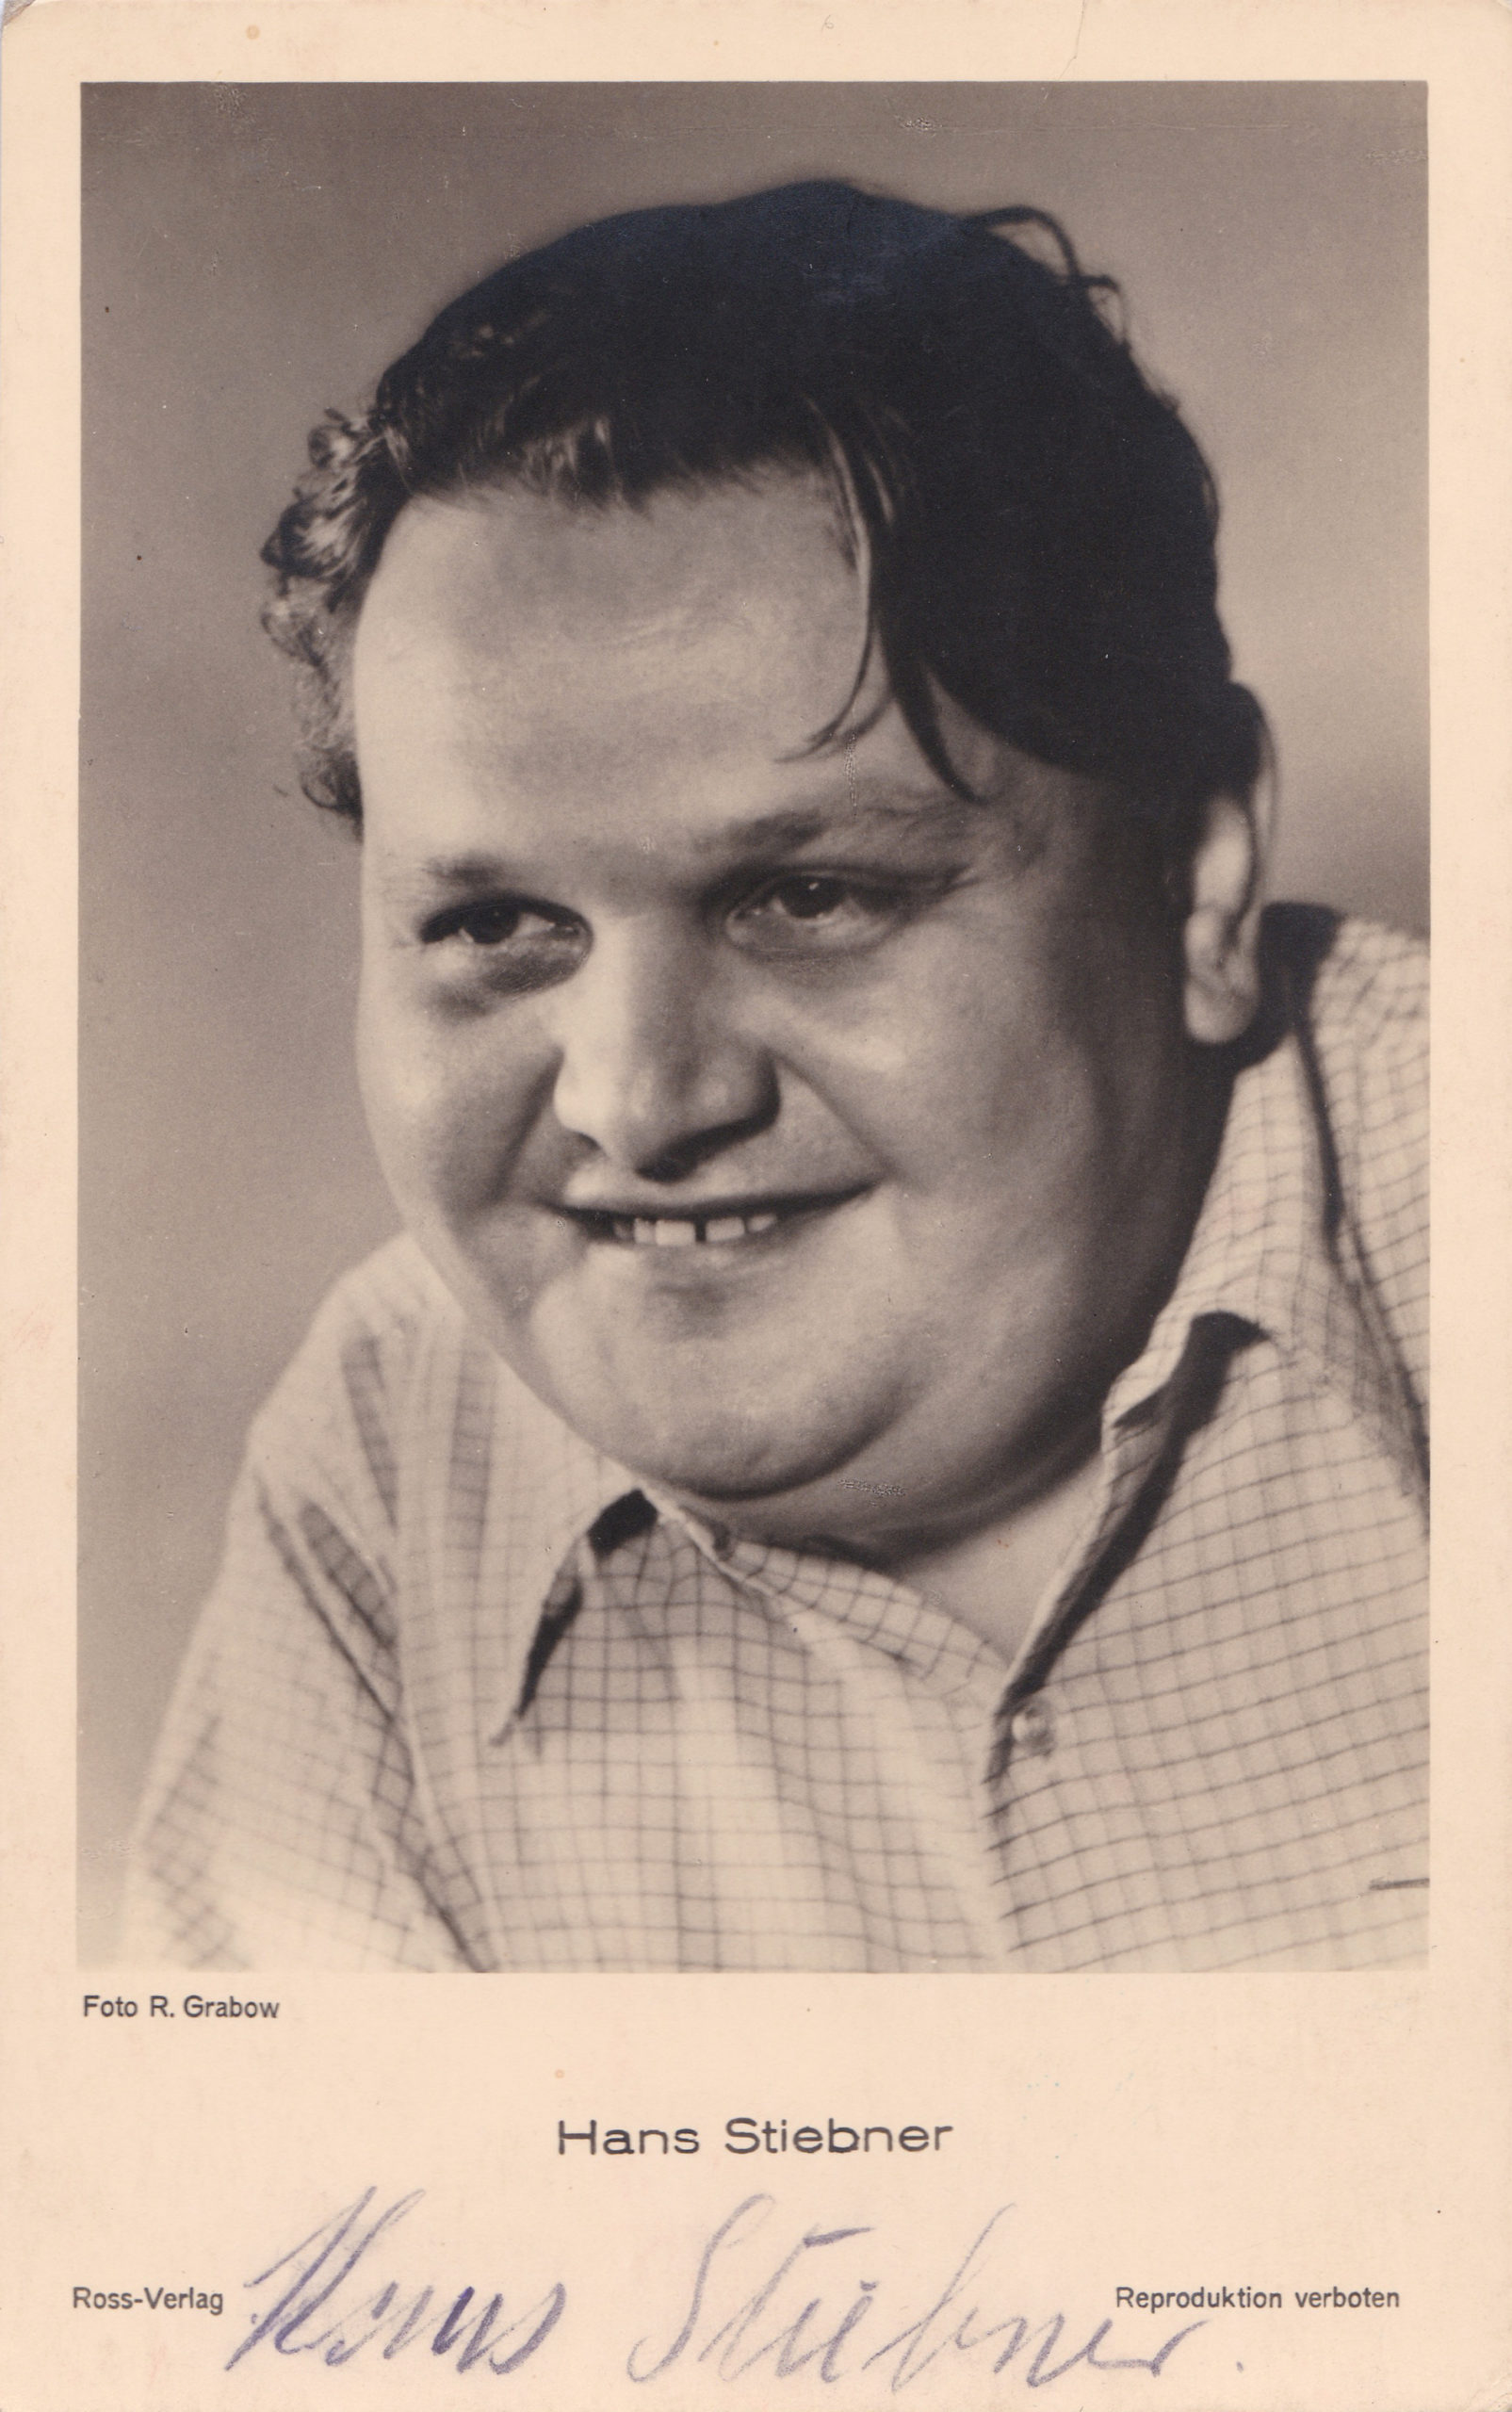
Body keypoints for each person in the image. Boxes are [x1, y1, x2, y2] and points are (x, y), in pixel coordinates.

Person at [125, 181, 1427, 1973]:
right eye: (498, 924)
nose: (637, 1105)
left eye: (808, 899)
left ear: (1197, 882)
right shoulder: (391, 1446)